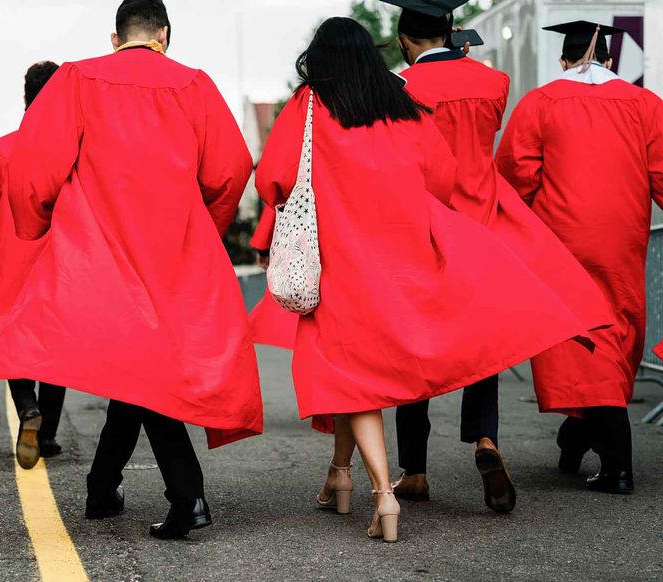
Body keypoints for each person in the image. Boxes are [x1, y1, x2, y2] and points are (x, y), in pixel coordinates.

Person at [0, 0, 262, 540]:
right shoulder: (195, 85)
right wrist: (201, 226)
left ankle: (177, 493)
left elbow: (35, 174)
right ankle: (114, 487)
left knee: (139, 370)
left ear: (115, 38)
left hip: (102, 252)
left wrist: (40, 226)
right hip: (173, 251)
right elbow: (232, 168)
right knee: (148, 369)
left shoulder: (78, 80)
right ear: (164, 36)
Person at [251, 17, 598, 542]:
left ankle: (384, 495)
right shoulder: (401, 104)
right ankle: (343, 477)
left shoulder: (310, 107)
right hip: (404, 248)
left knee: (349, 374)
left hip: (341, 258)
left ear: (317, 60)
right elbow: (441, 177)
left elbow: (273, 178)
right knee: (409, 353)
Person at [386, 0, 612, 512]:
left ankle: (415, 470)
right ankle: (486, 441)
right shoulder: (495, 82)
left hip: (426, 224)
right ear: (451, 32)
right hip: (485, 224)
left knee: (414, 345)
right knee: (482, 341)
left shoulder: (401, 89)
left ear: (404, 41)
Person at [497, 21, 663, 494]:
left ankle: (611, 461)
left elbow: (517, 176)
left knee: (577, 342)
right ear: (612, 62)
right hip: (622, 243)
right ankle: (583, 446)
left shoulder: (541, 102)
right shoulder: (646, 105)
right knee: (614, 334)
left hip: (559, 242)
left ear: (563, 61)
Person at [0, 61, 68, 465]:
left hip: (11, 259)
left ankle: (27, 406)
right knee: (56, 345)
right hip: (58, 261)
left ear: (25, 97)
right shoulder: (71, 149)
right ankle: (50, 434)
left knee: (11, 341)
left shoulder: (0, 148)